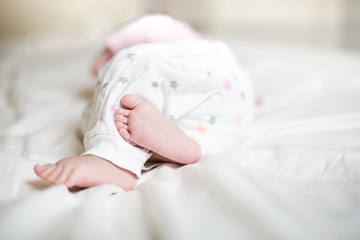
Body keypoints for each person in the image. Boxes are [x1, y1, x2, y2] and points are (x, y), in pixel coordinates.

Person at [34, 14, 254, 191]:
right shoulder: (220, 73)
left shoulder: (185, 41)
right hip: (231, 120)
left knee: (128, 65)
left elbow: (148, 26)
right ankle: (182, 147)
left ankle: (112, 159)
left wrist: (107, 56)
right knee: (121, 118)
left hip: (220, 84)